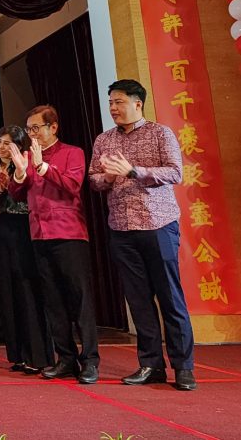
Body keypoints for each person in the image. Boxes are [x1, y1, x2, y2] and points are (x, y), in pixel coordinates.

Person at [89, 79, 196, 391]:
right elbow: (94, 180)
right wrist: (109, 177)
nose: (113, 108)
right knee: (138, 301)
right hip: (122, 228)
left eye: (119, 101)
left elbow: (175, 172)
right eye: (111, 102)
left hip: (158, 224)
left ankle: (184, 367)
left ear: (138, 103)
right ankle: (151, 365)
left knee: (170, 297)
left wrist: (134, 171)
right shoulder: (104, 139)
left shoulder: (160, 133)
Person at [8, 104, 99, 384]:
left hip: (69, 234)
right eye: (29, 129)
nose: (32, 134)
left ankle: (90, 360)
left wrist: (42, 167)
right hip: (39, 234)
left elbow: (72, 185)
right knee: (53, 300)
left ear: (53, 127)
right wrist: (20, 173)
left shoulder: (73, 152)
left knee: (79, 299)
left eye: (36, 128)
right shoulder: (27, 156)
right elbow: (17, 194)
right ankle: (66, 358)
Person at [0, 125, 52, 374]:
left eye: (7, 143)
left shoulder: (28, 163)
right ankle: (17, 355)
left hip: (24, 227)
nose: (1, 147)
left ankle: (38, 355)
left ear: (19, 146)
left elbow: (32, 196)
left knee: (27, 287)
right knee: (6, 289)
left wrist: (14, 182)